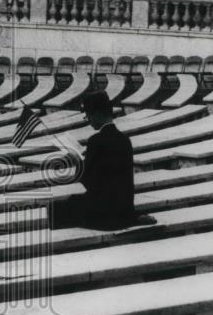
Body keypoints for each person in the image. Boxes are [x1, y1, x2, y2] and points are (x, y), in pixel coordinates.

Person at [48, 90, 156, 231]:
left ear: (97, 114)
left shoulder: (96, 141)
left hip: (104, 213)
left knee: (56, 207)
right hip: (124, 209)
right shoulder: (124, 140)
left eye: (88, 116)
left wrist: (76, 161)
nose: (89, 121)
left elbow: (88, 181)